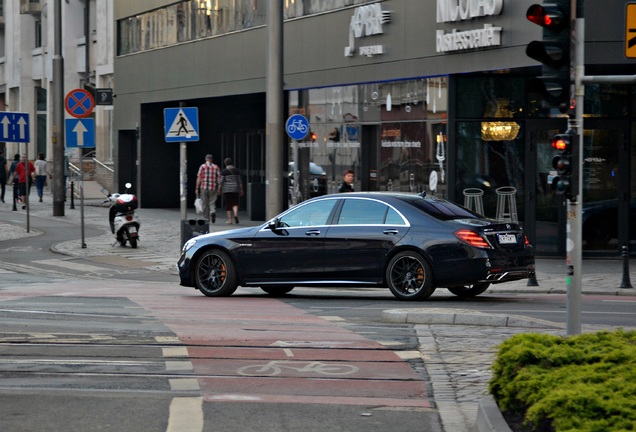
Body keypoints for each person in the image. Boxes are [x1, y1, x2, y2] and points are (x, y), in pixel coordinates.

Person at [195, 154, 220, 223]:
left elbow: (199, 177)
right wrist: (219, 187)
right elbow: (218, 178)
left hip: (204, 187)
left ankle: (206, 218)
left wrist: (197, 188)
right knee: (212, 202)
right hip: (213, 187)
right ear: (212, 159)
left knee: (205, 203)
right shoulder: (216, 167)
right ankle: (212, 212)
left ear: (206, 159)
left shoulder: (202, 167)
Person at [219, 158, 243, 224]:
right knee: (235, 202)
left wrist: (219, 189)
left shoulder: (224, 171)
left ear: (225, 163)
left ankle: (229, 220)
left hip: (227, 189)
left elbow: (221, 181)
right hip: (235, 188)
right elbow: (239, 181)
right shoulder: (236, 171)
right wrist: (241, 190)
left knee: (228, 204)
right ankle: (235, 214)